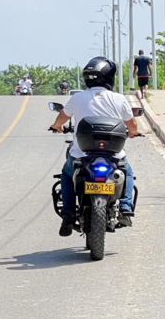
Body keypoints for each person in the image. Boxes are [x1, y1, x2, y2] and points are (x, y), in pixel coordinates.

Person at [49, 56, 140, 236]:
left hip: (81, 154)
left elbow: (61, 118)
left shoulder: (78, 97)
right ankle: (125, 208)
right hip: (114, 154)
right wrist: (133, 132)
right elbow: (132, 126)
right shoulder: (119, 99)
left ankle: (68, 214)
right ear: (109, 77)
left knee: (67, 174)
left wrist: (56, 127)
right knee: (127, 172)